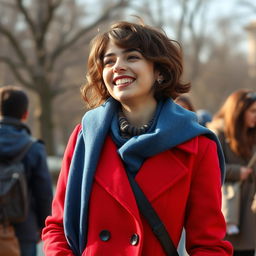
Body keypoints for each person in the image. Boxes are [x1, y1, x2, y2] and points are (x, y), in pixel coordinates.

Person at [42, 20, 233, 255]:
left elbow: (209, 245)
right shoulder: (85, 136)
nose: (118, 67)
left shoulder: (197, 145)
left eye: (132, 57)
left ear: (159, 72)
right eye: (109, 61)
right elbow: (57, 227)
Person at [0, 86, 53, 256]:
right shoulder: (34, 148)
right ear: (25, 114)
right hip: (25, 229)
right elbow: (43, 193)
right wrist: (43, 226)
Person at [207, 89, 256, 256]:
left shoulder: (252, 134)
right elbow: (209, 168)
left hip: (249, 212)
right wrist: (237, 171)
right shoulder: (218, 133)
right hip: (227, 208)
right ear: (239, 111)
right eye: (252, 111)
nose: (255, 116)